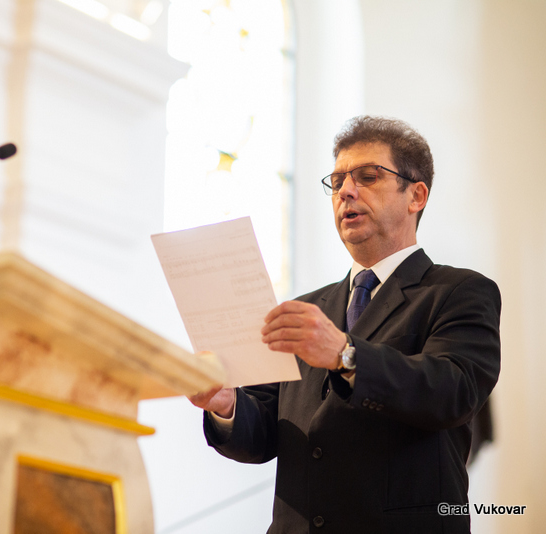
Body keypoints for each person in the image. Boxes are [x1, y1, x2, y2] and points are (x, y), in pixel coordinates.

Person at [190, 116, 501, 533]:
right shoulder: (305, 309)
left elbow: (453, 392)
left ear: (416, 195)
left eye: (368, 177)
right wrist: (226, 404)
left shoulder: (459, 291)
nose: (346, 192)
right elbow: (262, 435)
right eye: (337, 182)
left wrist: (345, 356)